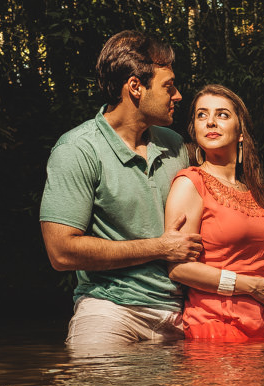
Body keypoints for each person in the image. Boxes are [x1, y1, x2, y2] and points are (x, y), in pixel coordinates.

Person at [39, 30, 200, 348]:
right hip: (109, 310)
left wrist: (256, 270)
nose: (178, 95)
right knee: (97, 376)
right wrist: (160, 248)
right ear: (135, 87)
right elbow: (60, 252)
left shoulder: (175, 145)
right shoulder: (78, 149)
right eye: (168, 86)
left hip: (182, 312)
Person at [163, 85, 264, 341]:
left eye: (222, 114)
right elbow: (179, 269)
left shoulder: (255, 191)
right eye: (201, 115)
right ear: (194, 129)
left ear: (241, 132)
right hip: (216, 321)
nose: (210, 121)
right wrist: (249, 285)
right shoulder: (190, 183)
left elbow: (251, 257)